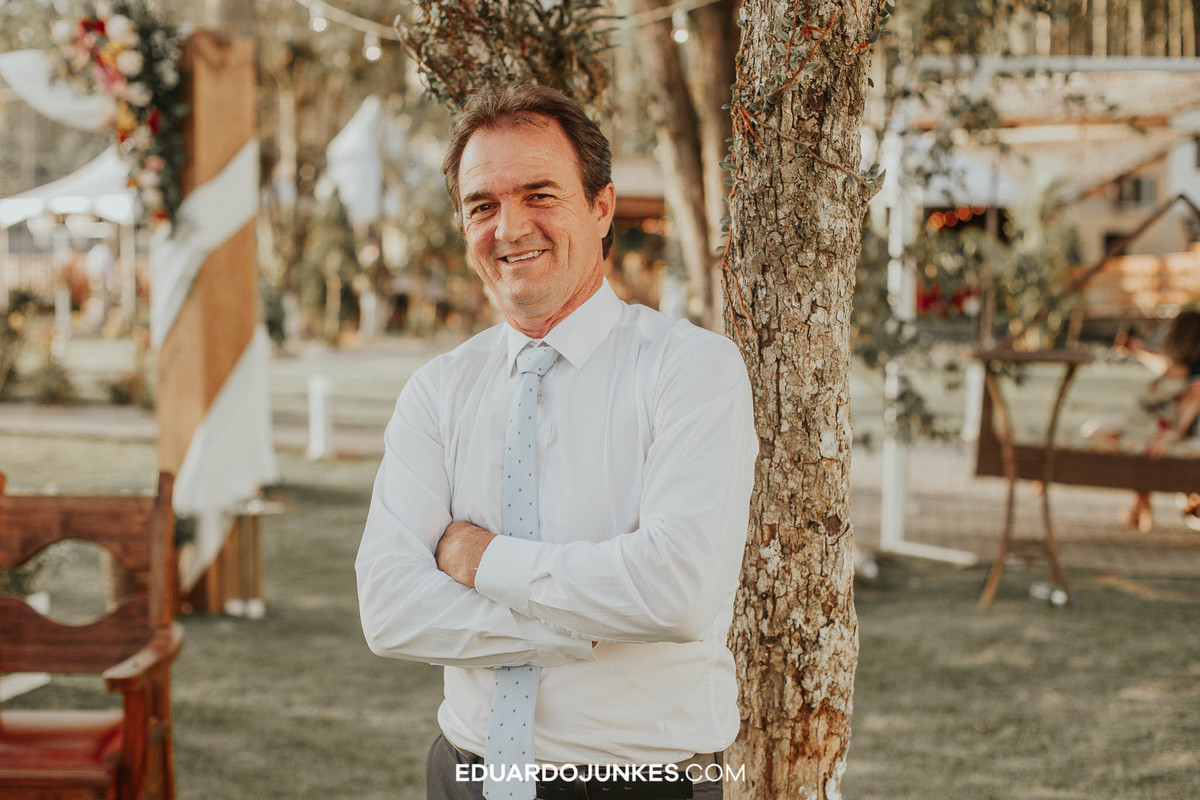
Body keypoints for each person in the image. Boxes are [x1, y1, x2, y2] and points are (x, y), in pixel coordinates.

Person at [355, 85, 757, 800]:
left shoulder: (691, 370)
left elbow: (677, 593)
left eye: (539, 194)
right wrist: (576, 629)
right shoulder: (438, 391)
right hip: (467, 774)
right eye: (483, 205)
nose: (510, 228)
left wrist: (480, 559)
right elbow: (389, 609)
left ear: (601, 208)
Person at [1096, 311, 1200, 531]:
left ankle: (1140, 506)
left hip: (1182, 432)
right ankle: (1140, 506)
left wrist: (1171, 434)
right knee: (1137, 439)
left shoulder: (1191, 368)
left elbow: (1193, 396)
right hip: (1173, 429)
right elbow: (1169, 367)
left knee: (1136, 441)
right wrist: (1138, 348)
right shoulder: (1185, 366)